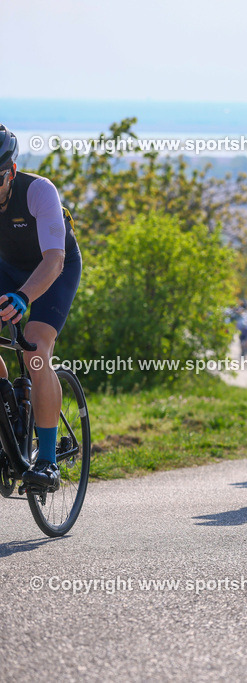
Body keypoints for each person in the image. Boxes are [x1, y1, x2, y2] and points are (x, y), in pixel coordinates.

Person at [0, 124, 82, 490]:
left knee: (35, 349)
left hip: (54, 268)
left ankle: (48, 462)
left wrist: (23, 296)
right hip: (6, 268)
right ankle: (8, 414)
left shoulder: (38, 191)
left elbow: (54, 260)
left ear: (12, 171)